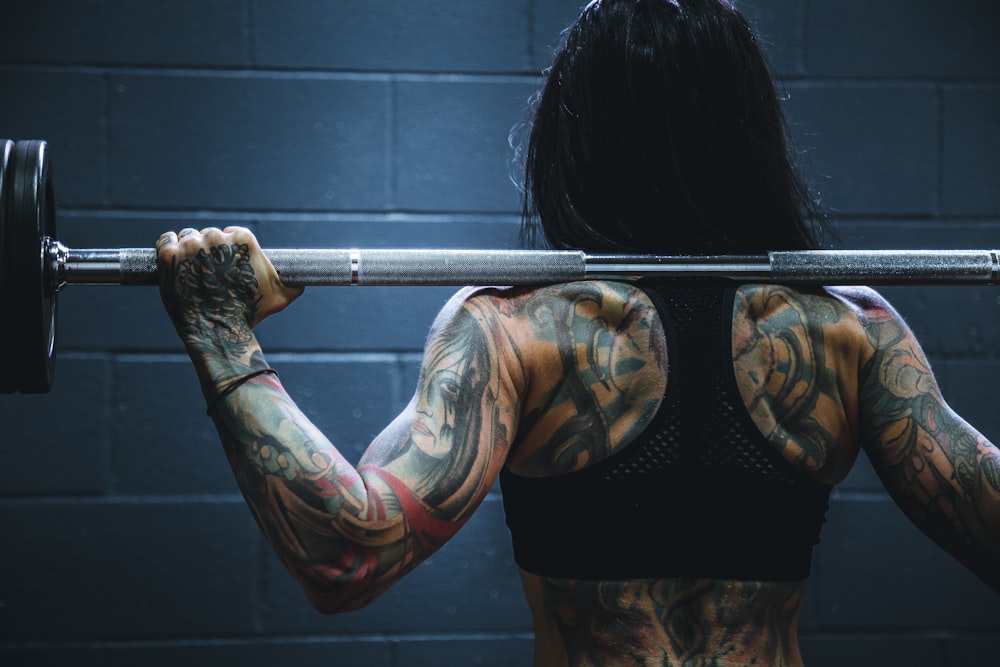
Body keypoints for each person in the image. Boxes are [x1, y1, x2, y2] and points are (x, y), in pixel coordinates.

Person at [155, 0, 1000, 664]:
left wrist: (223, 332)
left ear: (574, 135)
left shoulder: (514, 331)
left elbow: (347, 553)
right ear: (750, 134)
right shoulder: (850, 331)